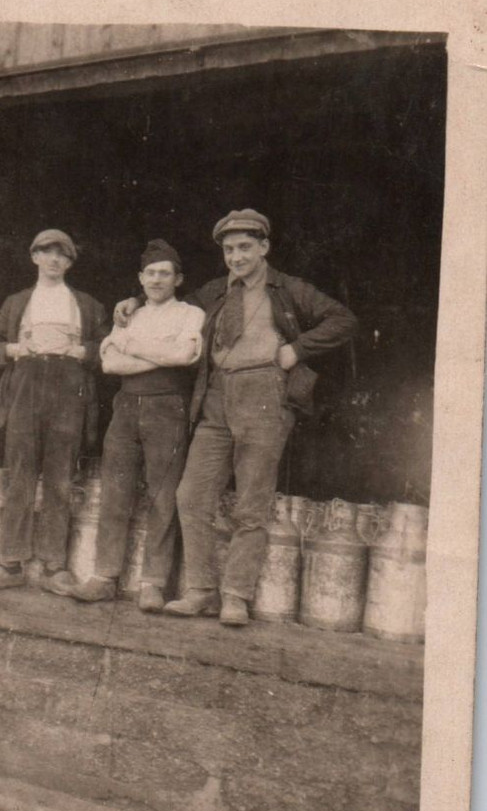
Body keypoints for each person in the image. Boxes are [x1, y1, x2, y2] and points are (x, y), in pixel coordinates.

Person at [114, 208, 358, 626]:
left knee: (252, 503)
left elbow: (343, 320)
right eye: (229, 249)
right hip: (215, 397)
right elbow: (168, 299)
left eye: (245, 247)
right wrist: (136, 299)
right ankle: (201, 591)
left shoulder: (289, 288)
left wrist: (296, 350)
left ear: (264, 247)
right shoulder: (213, 291)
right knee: (191, 495)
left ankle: (236, 597)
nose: (236, 256)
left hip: (264, 394)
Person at [70, 239, 205, 612]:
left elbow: (184, 355)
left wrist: (133, 346)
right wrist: (154, 352)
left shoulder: (190, 314)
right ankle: (104, 576)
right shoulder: (129, 315)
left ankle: (153, 583)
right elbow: (110, 364)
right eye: (150, 273)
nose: (157, 280)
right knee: (115, 491)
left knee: (164, 496)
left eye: (165, 273)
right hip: (126, 406)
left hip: (167, 407)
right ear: (140, 279)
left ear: (178, 279)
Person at [0, 228, 108, 594]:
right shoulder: (17, 303)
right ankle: (10, 564)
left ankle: (54, 567)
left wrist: (84, 352)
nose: (54, 260)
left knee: (60, 479)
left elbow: (107, 350)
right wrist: (16, 349)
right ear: (34, 257)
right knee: (19, 476)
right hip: (26, 388)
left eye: (62, 255)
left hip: (68, 390)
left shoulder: (88, 305)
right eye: (46, 252)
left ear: (70, 262)